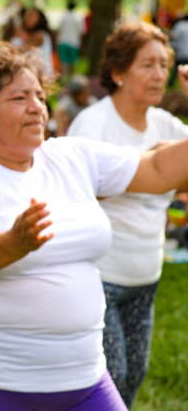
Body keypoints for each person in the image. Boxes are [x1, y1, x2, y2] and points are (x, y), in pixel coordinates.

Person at [0, 43, 188, 411]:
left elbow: (156, 170)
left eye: (40, 96)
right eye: (19, 97)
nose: (36, 107)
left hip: (84, 378)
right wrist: (14, 243)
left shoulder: (71, 156)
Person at [68, 22, 188, 408]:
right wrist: (151, 167)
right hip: (101, 276)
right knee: (110, 378)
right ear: (118, 72)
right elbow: (73, 189)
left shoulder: (167, 125)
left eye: (164, 64)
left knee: (134, 375)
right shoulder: (93, 123)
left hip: (146, 276)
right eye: (147, 64)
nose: (159, 74)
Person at [22, 6, 55, 77]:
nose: (27, 18)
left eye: (31, 16)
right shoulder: (37, 34)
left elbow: (20, 49)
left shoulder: (39, 35)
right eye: (26, 15)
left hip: (42, 76)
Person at [57, 0, 83, 80]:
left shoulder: (63, 16)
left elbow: (59, 29)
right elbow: (81, 32)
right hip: (74, 43)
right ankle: (71, 81)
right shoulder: (78, 18)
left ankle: (63, 80)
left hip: (63, 42)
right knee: (72, 63)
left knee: (64, 63)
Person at [169, 13, 188, 87]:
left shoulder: (179, 25)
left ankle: (171, 82)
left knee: (176, 69)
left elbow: (173, 37)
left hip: (181, 52)